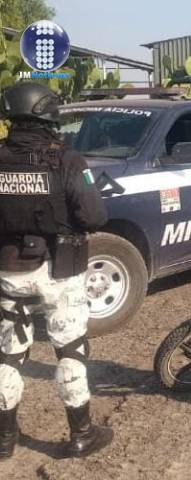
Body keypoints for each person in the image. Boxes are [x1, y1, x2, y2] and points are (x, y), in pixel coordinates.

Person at [0, 82, 112, 460]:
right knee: (70, 349)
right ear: (48, 117)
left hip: (9, 271)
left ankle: (4, 439)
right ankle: (82, 434)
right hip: (60, 271)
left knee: (9, 353)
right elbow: (94, 216)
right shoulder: (68, 160)